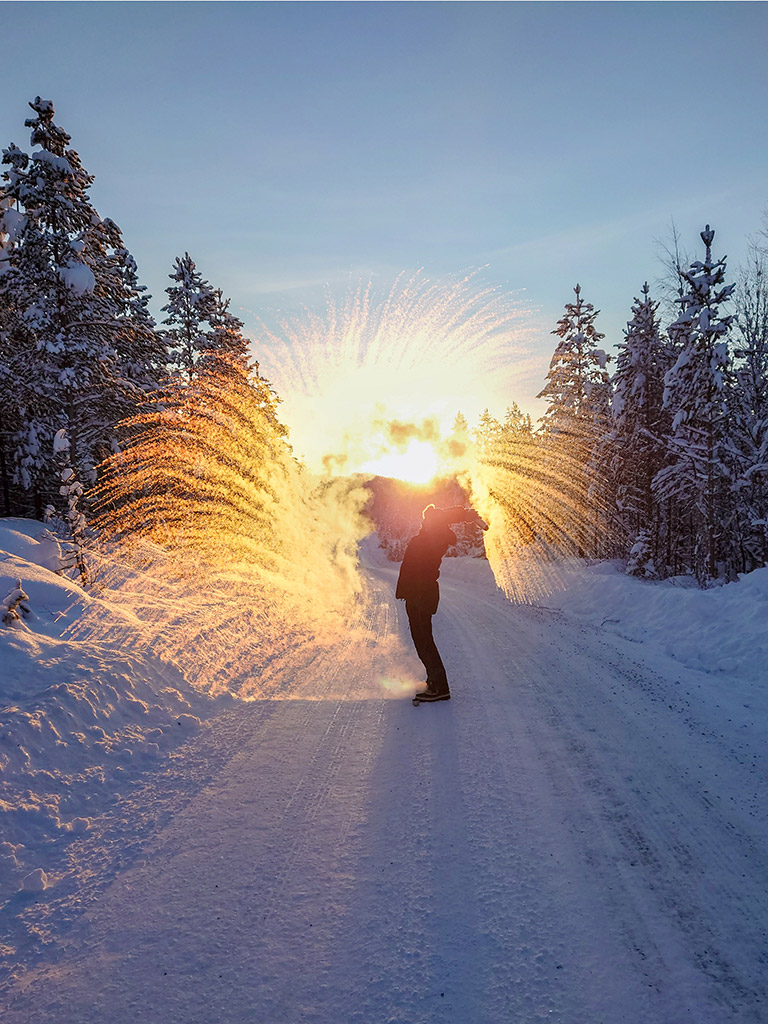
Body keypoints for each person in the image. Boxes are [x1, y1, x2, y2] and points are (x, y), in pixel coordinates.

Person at [396, 504, 489, 703]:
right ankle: (434, 681)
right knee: (421, 641)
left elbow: (443, 517)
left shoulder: (434, 537)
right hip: (417, 595)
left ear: (435, 521)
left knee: (424, 642)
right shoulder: (429, 536)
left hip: (421, 595)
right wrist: (465, 515)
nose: (424, 521)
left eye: (427, 519)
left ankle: (440, 688)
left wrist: (464, 514)